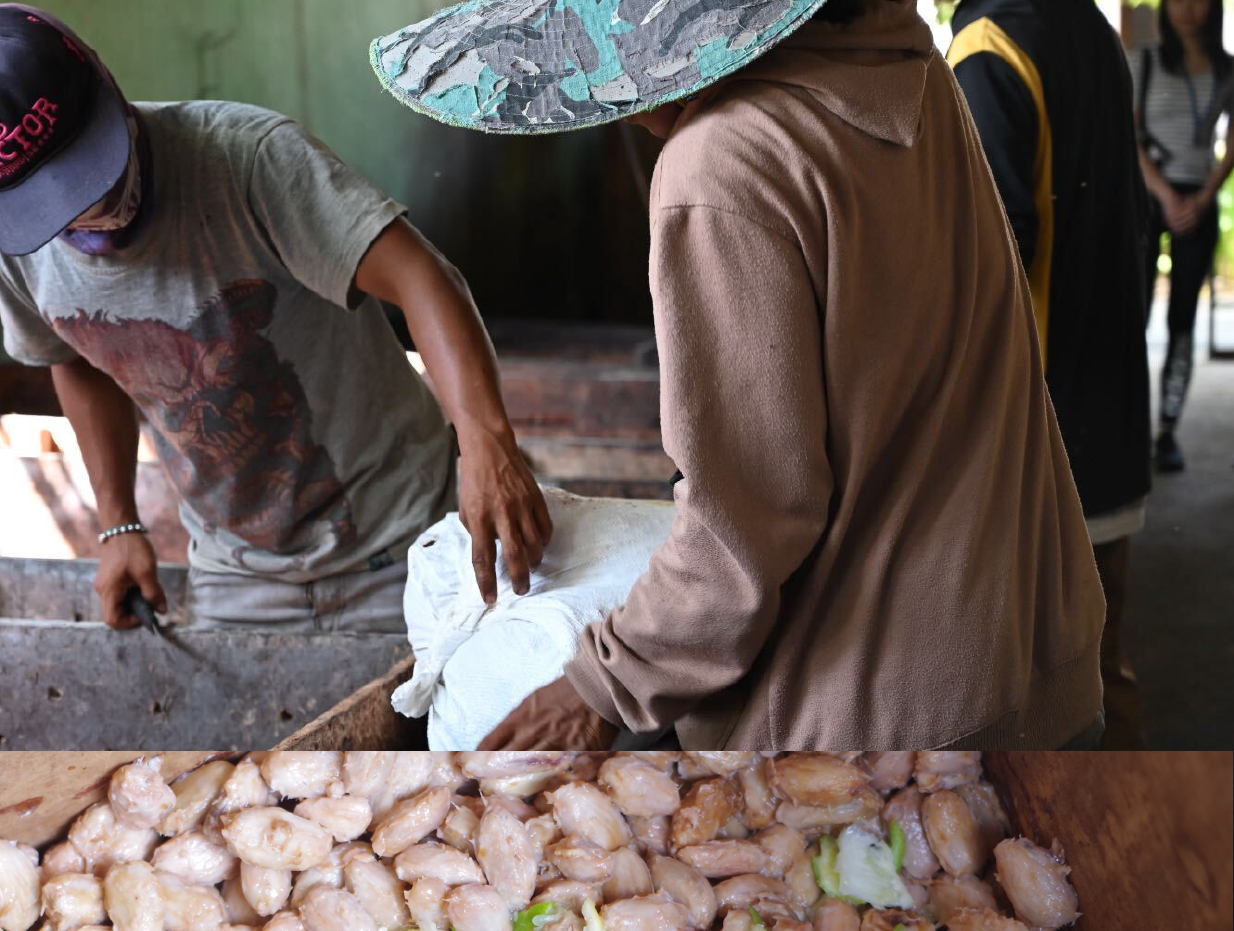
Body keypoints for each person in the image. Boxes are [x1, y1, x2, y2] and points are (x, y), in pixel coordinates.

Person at [371, 0, 1106, 750]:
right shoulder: (903, 65)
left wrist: (604, 684)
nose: (627, 112)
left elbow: (745, 531)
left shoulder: (725, 160)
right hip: (1036, 664)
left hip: (884, 732)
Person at [0, 5, 549, 632]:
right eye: (54, 202)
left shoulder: (247, 161)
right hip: (237, 577)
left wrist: (487, 446)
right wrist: (118, 525)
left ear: (105, 82)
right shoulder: (14, 242)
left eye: (88, 171)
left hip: (406, 543)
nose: (88, 209)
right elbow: (74, 359)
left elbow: (421, 278)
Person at [947, 0, 1152, 749]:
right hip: (1107, 413)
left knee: (1027, 708)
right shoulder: (1089, 26)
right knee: (1100, 673)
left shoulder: (988, 46)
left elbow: (989, 263)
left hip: (1037, 445)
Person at [1133, 0, 1233, 474]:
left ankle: (1167, 430)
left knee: (1182, 321)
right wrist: (1166, 195)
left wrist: (1205, 195)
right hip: (1149, 196)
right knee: (1132, 313)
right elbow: (1128, 135)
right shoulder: (1146, 59)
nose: (1188, 10)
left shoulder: (1227, 67)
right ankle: (1129, 426)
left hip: (1200, 199)